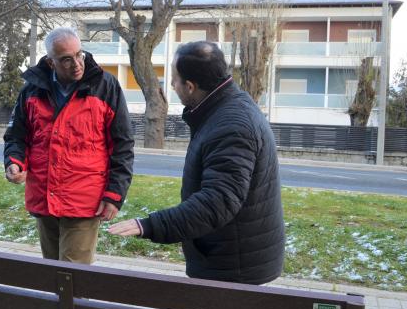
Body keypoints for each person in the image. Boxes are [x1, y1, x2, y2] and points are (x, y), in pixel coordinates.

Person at [4, 27, 134, 309]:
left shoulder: (104, 86)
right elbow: (17, 135)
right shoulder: (32, 89)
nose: (77, 63)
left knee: (71, 282)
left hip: (84, 201)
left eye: (79, 55)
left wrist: (114, 194)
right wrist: (15, 162)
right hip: (44, 199)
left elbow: (123, 144)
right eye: (66, 59)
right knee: (53, 278)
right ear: (51, 61)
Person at [108, 41, 284, 285]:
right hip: (231, 255)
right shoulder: (225, 108)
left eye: (175, 78)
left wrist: (151, 225)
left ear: (190, 87)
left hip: (234, 265)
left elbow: (217, 202)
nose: (170, 84)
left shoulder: (231, 126)